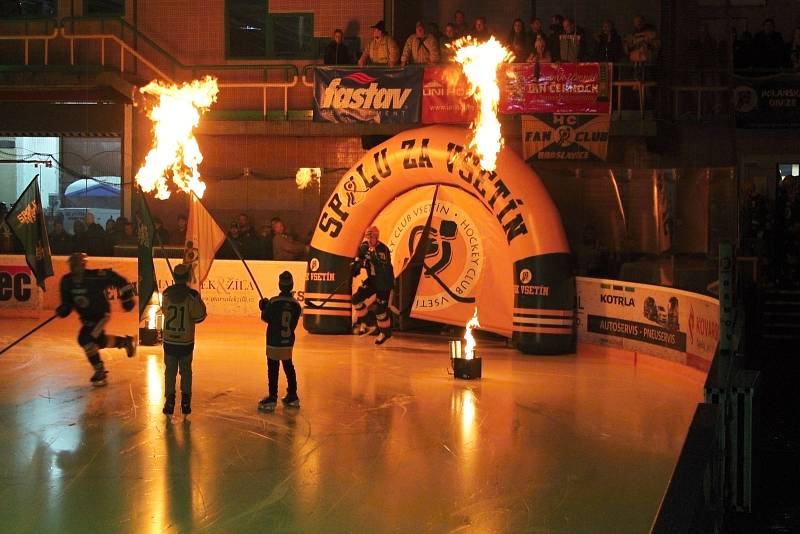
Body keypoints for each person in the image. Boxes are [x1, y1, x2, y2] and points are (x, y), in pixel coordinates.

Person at [55, 253, 136, 386]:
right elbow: (67, 303)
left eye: (77, 265)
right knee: (98, 341)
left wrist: (127, 297)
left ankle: (100, 371)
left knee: (85, 338)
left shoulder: (95, 277)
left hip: (100, 315)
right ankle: (125, 342)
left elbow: (119, 279)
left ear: (83, 265)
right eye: (72, 265)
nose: (74, 268)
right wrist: (63, 309)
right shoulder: (66, 281)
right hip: (86, 318)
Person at [161, 264, 207, 416]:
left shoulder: (166, 294)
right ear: (187, 277)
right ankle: (186, 401)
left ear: (174, 277)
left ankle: (169, 400)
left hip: (169, 341)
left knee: (170, 372)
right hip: (186, 342)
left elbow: (164, 311)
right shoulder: (192, 296)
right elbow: (200, 316)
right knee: (186, 371)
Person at [257, 271, 302, 412]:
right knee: (289, 366)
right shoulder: (296, 305)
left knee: (273, 368)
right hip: (287, 341)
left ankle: (272, 397)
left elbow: (266, 318)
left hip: (274, 340)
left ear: (279, 285)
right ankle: (293, 395)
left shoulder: (274, 302)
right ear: (292, 285)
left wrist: (263, 307)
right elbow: (293, 324)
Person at [351, 226, 394, 345]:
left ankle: (385, 332)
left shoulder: (383, 249)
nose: (370, 240)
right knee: (356, 299)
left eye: (372, 237)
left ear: (376, 237)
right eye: (368, 237)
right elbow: (359, 258)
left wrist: (367, 260)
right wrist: (355, 266)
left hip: (384, 283)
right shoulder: (364, 246)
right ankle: (367, 322)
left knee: (380, 310)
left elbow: (381, 264)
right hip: (372, 280)